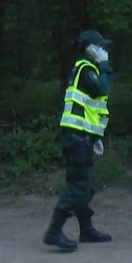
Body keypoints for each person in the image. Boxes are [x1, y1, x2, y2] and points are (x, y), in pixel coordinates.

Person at [43, 30, 114, 251]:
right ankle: (54, 231)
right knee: (78, 186)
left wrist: (95, 137)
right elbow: (102, 87)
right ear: (90, 49)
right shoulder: (85, 68)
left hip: (82, 136)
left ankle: (86, 230)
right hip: (77, 137)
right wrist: (105, 65)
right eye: (99, 46)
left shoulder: (88, 69)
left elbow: (92, 107)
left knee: (85, 186)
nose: (104, 50)